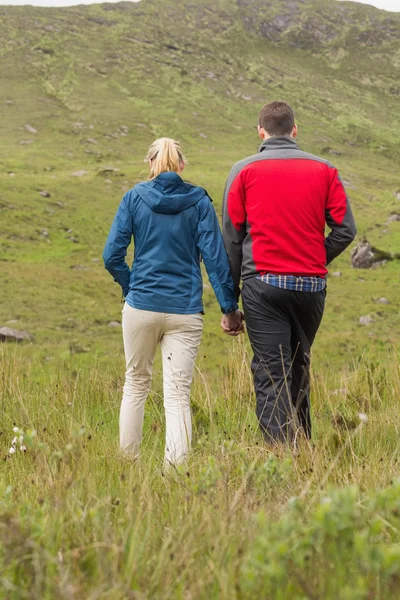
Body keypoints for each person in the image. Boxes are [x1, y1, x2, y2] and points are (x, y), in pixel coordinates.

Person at [221, 101, 357, 443]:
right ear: (294, 130)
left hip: (262, 284)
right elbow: (345, 230)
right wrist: (314, 256)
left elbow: (233, 240)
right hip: (310, 286)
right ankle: (304, 450)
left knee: (270, 372)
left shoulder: (243, 170)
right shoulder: (325, 169)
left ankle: (281, 459)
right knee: (298, 367)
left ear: (260, 132)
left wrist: (229, 304)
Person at [103, 138, 243, 466]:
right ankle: (176, 473)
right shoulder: (199, 202)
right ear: (182, 166)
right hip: (184, 310)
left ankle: (128, 466)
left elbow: (112, 255)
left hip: (141, 306)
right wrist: (229, 309)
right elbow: (215, 259)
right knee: (178, 394)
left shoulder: (133, 198)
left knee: (135, 384)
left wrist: (130, 285)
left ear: (151, 164)